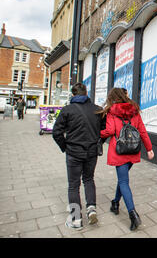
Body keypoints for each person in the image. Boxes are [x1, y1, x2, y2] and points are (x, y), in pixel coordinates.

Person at [99, 87, 154, 231]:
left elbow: (110, 131)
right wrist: (149, 149)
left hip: (119, 151)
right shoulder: (134, 110)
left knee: (123, 181)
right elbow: (142, 130)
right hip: (133, 150)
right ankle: (115, 203)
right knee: (122, 179)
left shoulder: (112, 111)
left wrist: (99, 133)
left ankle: (133, 214)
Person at [52, 83, 103, 230]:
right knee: (89, 179)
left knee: (73, 185)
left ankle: (76, 219)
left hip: (73, 152)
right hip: (91, 152)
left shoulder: (67, 110)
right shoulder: (97, 110)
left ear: (73, 95)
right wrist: (97, 142)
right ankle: (91, 208)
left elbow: (56, 132)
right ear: (86, 93)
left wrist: (65, 146)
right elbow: (104, 130)